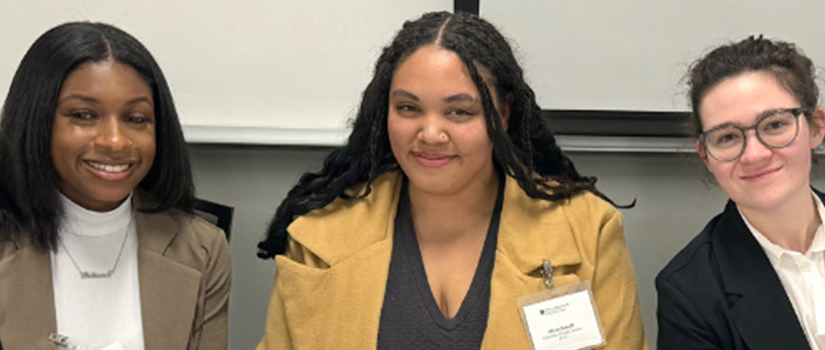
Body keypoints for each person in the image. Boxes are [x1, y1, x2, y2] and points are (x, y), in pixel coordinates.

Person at [257, 11, 646, 349]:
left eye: (459, 112)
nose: (430, 133)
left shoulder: (588, 230)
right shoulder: (319, 237)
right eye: (408, 108)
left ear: (503, 112)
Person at [0, 22, 230, 350]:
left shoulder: (201, 249)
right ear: (37, 122)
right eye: (83, 115)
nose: (115, 141)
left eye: (136, 119)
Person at [656, 36, 825, 349]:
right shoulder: (689, 292)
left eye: (774, 125)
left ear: (815, 127)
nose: (754, 155)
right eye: (728, 137)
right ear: (705, 155)